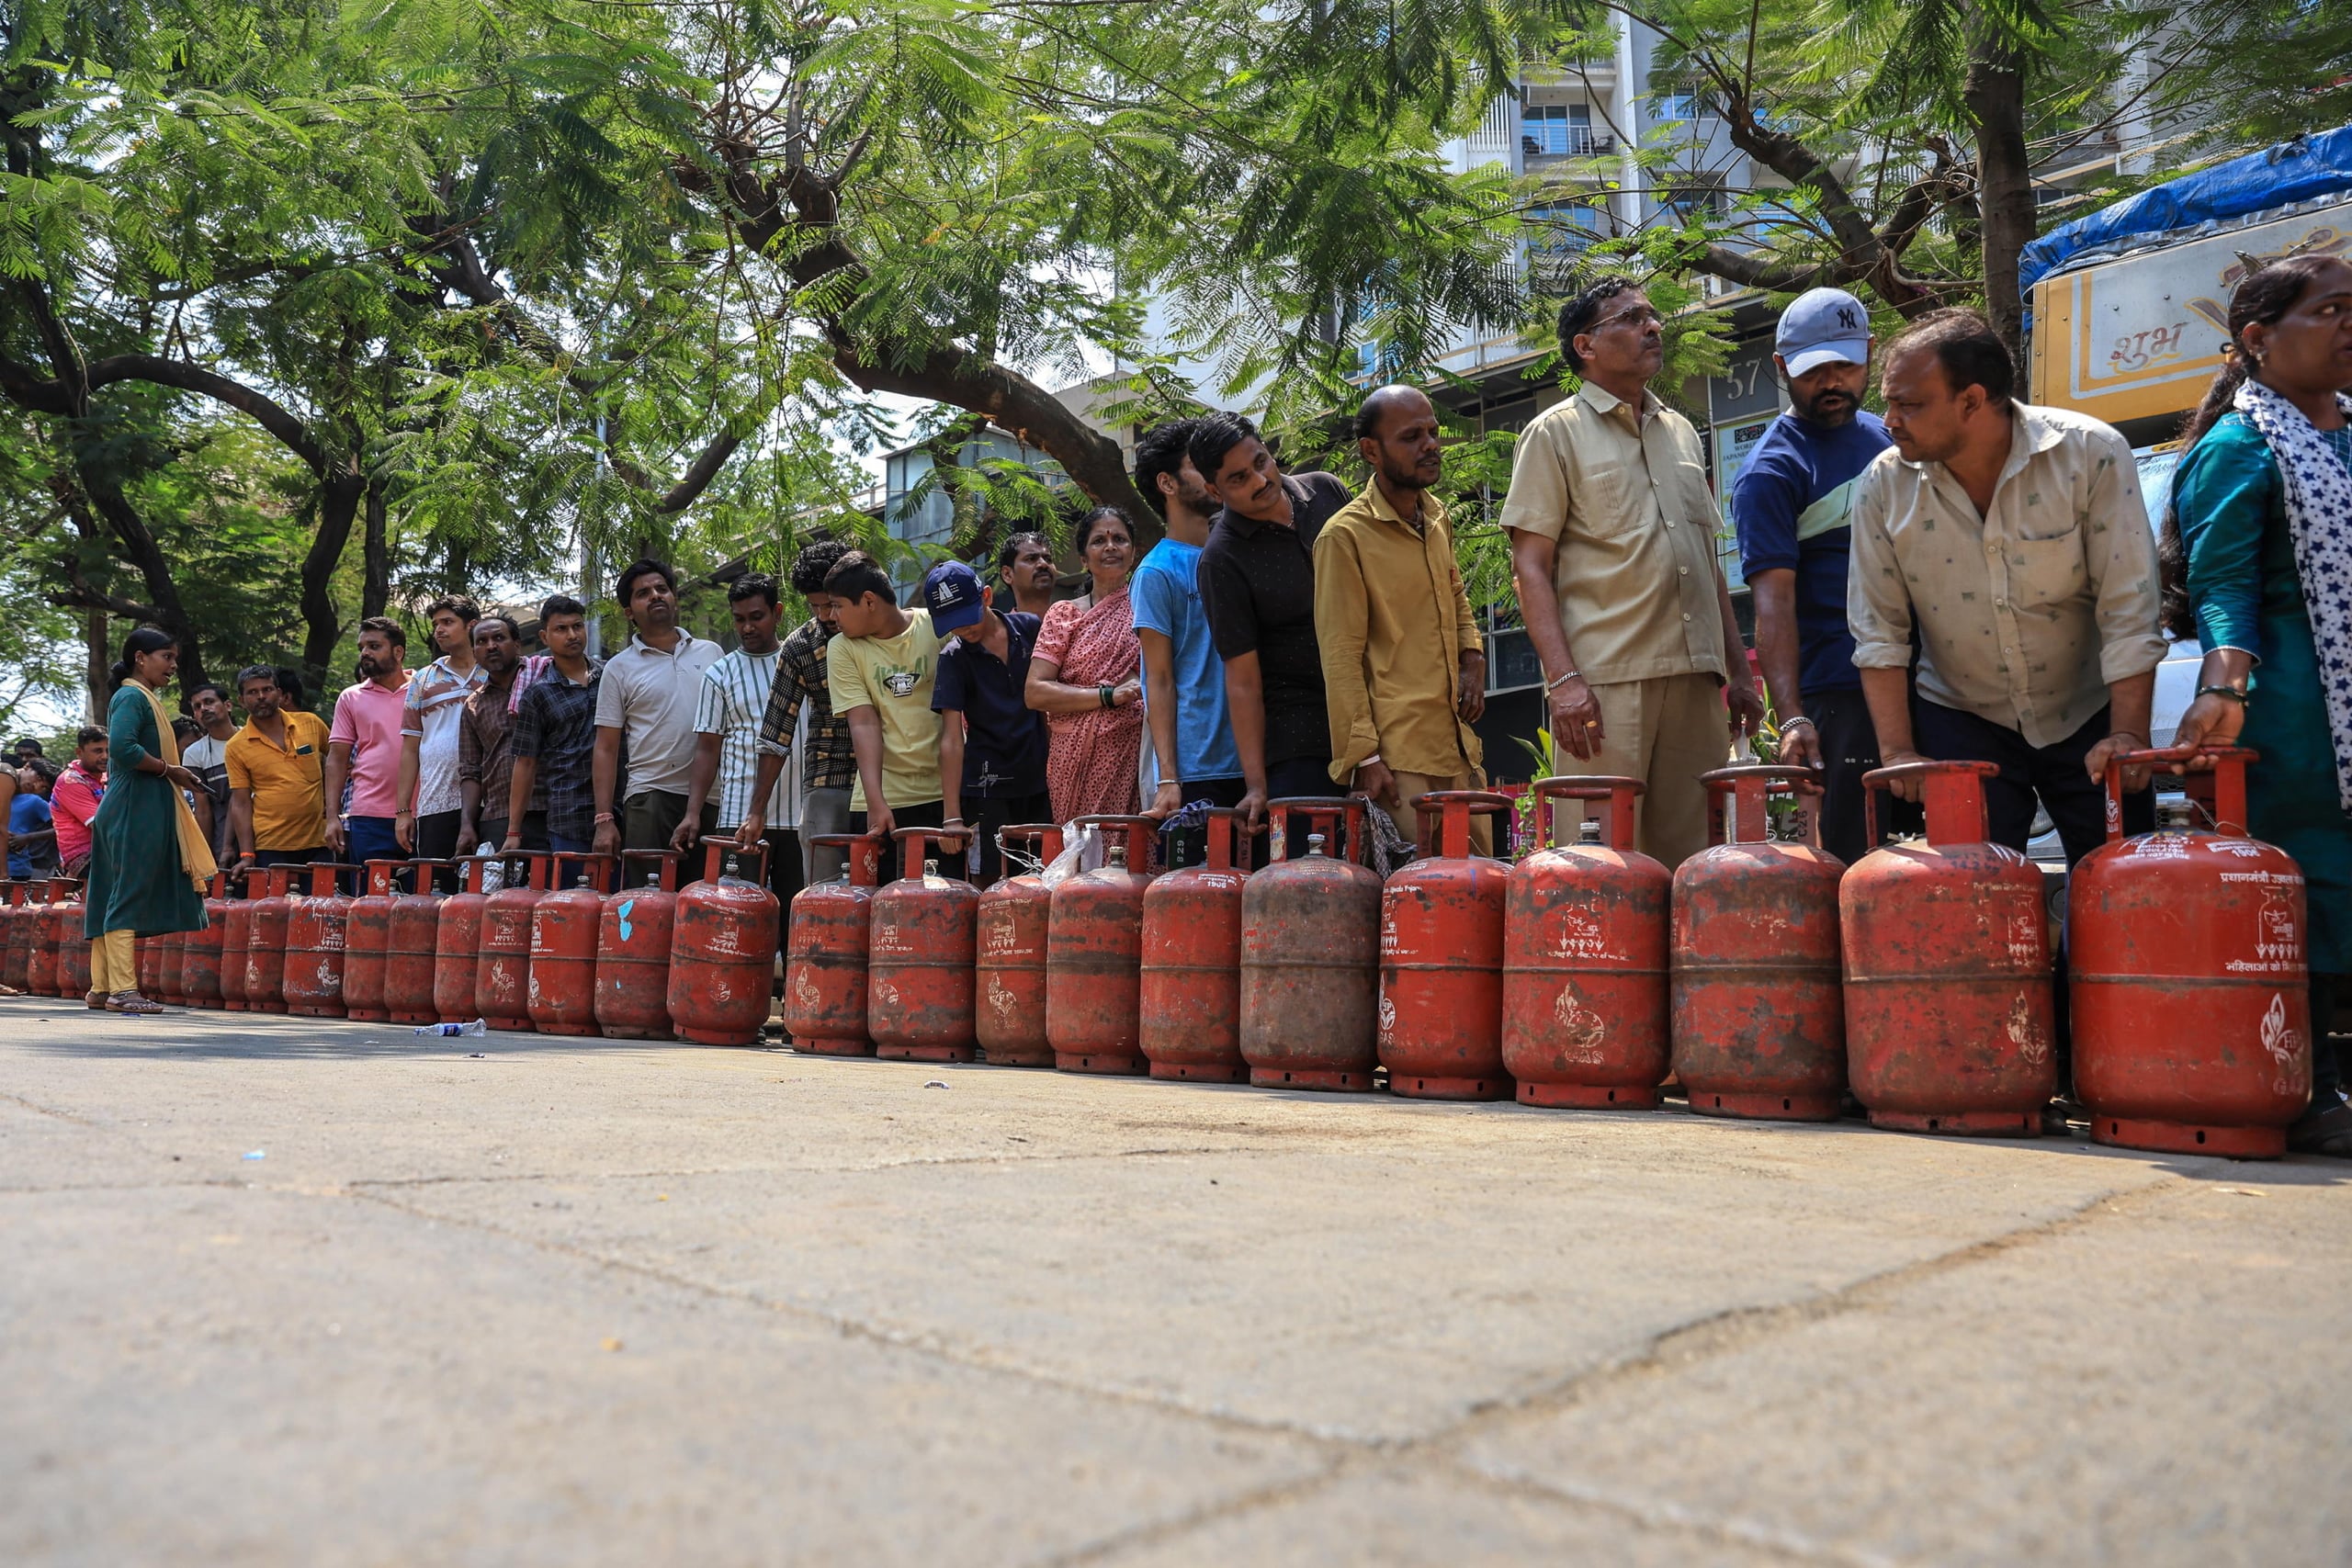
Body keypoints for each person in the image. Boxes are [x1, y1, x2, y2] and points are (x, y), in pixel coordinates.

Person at [1849, 308, 2164, 861]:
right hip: (1962, 714)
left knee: (2122, 884)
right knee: (1975, 894)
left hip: (2087, 710)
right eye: (1888, 402)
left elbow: (2129, 608)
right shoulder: (1883, 486)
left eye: (1909, 404)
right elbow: (1879, 631)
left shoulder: (2089, 454)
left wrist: (2130, 735)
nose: (1889, 420)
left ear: (1971, 400)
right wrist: (1898, 753)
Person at [2165, 254, 2352, 1158]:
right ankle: (2312, 1090)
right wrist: (2224, 685)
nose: (2350, 325)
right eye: (2331, 310)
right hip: (2297, 717)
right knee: (2308, 891)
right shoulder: (2237, 449)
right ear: (2257, 338)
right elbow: (2224, 585)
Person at [1502, 276, 1765, 868]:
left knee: (1696, 863)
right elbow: (1530, 567)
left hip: (1696, 680)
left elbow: (1706, 564)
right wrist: (1564, 681)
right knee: (1602, 865)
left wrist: (1739, 672)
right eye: (1631, 318)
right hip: (1604, 688)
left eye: (1652, 315)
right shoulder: (1554, 433)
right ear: (1586, 346)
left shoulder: (1681, 433)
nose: (1653, 326)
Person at [1732, 287, 1904, 863]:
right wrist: (1793, 716)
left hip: (1925, 679)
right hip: (1840, 690)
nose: (1832, 383)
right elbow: (1773, 606)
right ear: (1782, 367)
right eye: (1813, 371)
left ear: (1870, 353)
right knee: (1859, 861)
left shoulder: (1892, 438)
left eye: (1846, 366)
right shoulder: (1771, 471)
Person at [1315, 385, 1492, 852]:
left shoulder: (1437, 517)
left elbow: (1455, 594)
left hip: (1458, 745)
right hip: (1398, 762)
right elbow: (1340, 656)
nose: (1430, 445)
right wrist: (1365, 758)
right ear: (1371, 451)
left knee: (1486, 882)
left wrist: (1473, 653)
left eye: (1432, 432)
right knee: (1420, 890)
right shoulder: (1343, 537)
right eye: (1411, 437)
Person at [1193, 413, 1355, 831]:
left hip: (1376, 709)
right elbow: (1242, 679)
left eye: (1261, 462)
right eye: (1239, 478)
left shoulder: (1327, 491)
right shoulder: (1220, 559)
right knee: (1313, 865)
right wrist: (1256, 785)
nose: (1260, 480)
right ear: (1214, 491)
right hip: (1301, 733)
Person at [80, 626, 214, 1014]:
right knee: (128, 892)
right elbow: (123, 749)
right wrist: (171, 770)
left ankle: (102, 988)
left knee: (110, 892)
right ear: (140, 658)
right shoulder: (131, 696)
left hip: (132, 803)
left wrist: (173, 773)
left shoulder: (138, 696)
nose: (173, 666)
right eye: (166, 657)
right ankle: (124, 991)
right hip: (134, 805)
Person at [1132, 418, 1245, 859]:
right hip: (1197, 774)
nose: (1214, 475)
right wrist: (1168, 778)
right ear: (1168, 483)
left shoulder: (1238, 553)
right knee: (1200, 893)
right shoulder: (1156, 571)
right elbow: (1157, 680)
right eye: (1198, 466)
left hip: (1258, 763)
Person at [674, 574, 800, 911]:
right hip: (739, 817)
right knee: (739, 917)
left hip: (799, 817)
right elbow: (707, 749)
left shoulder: (801, 664)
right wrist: (692, 813)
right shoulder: (720, 674)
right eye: (739, 619)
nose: (747, 627)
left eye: (756, 617)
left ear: (777, 612)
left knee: (795, 917)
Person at [593, 559, 722, 885]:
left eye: (662, 589)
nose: (655, 596)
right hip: (649, 797)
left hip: (713, 798)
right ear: (629, 612)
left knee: (706, 900)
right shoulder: (618, 668)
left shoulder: (712, 653)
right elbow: (606, 748)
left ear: (674, 598)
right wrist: (604, 820)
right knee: (646, 901)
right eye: (643, 593)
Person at [739, 539, 856, 886]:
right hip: (829, 774)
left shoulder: (882, 634)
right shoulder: (800, 646)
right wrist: (756, 812)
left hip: (891, 776)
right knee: (825, 888)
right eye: (814, 606)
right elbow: (776, 733)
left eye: (830, 604)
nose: (824, 616)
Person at [929, 560, 1049, 885]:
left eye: (967, 617)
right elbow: (952, 738)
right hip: (986, 787)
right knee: (992, 884)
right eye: (952, 623)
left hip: (1040, 780)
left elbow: (1049, 705)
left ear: (986, 596)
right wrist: (951, 817)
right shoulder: (953, 657)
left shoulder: (1030, 628)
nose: (963, 629)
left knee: (1046, 878)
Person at [1025, 507, 1146, 823]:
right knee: (1078, 843)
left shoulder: (1148, 609)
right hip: (1071, 757)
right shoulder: (1064, 615)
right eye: (1099, 541)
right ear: (1083, 558)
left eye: (1119, 539)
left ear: (1133, 552)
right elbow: (1035, 692)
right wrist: (1106, 696)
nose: (1110, 547)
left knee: (1128, 842)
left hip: (1131, 752)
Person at [824, 549, 944, 850]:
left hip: (943, 795)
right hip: (882, 802)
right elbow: (863, 723)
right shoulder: (842, 648)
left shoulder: (938, 628)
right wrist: (876, 802)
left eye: (837, 606)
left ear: (869, 601)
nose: (831, 617)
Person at [394, 594, 484, 878]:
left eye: (447, 622)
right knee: (434, 889)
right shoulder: (423, 678)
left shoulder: (495, 672)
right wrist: (403, 811)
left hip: (489, 803)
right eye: (435, 624)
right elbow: (410, 747)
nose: (439, 630)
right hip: (435, 801)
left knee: (485, 888)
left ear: (472, 625)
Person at [506, 595, 603, 857]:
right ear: (544, 637)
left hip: (618, 812)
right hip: (567, 815)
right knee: (572, 885)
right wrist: (513, 831)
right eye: (561, 629)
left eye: (577, 626)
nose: (572, 635)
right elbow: (525, 762)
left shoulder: (610, 677)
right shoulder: (538, 694)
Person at [324, 617, 413, 874]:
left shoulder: (424, 690)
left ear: (398, 652)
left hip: (422, 813)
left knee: (425, 895)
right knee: (370, 894)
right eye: (362, 647)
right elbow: (336, 759)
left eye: (374, 646)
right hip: (368, 815)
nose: (365, 653)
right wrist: (332, 818)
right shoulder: (351, 697)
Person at [225, 665, 330, 873]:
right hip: (271, 846)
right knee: (274, 896)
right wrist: (247, 855)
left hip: (320, 842)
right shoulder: (236, 746)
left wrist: (333, 805)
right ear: (241, 700)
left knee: (323, 896)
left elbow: (340, 761)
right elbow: (241, 803)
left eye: (267, 689)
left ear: (280, 693)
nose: (261, 696)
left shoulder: (311, 723)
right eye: (252, 692)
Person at [457, 615, 533, 856]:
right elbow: (470, 770)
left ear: (517, 644)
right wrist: (467, 825)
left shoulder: (542, 682)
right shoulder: (473, 705)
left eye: (499, 638)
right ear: (474, 652)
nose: (491, 646)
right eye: (482, 641)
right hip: (498, 814)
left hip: (548, 811)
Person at [179, 681, 238, 866]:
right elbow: (203, 810)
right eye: (197, 707)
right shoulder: (194, 753)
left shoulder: (253, 738)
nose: (204, 709)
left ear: (228, 705)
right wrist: (204, 857)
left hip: (266, 836)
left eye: (209, 702)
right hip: (223, 842)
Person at [52, 727, 108, 879]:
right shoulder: (71, 781)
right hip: (83, 856)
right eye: (98, 751)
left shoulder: (103, 776)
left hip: (104, 849)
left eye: (108, 751)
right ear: (79, 752)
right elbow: (101, 826)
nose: (105, 756)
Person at [9, 761, 57, 878]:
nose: (36, 786)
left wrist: (28, 837)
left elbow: (61, 827)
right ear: (27, 766)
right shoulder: (6, 787)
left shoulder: (34, 801)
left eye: (44, 787)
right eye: (38, 778)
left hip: (16, 868)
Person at [998, 531, 1060, 619]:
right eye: (1031, 559)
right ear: (1007, 575)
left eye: (1048, 559)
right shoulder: (1001, 627)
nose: (1043, 564)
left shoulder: (1076, 622)